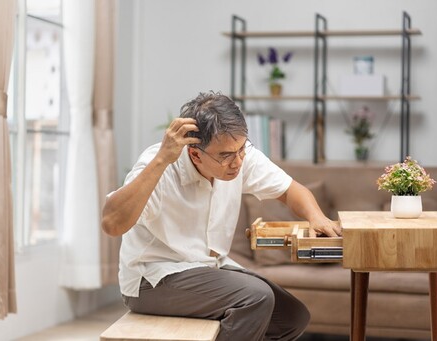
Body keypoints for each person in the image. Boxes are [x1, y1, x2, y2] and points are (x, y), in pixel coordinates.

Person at [102, 91, 341, 341]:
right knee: (256, 297)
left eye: (241, 150)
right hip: (152, 279)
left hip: (206, 269)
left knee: (292, 317)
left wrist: (317, 217)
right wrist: (162, 158)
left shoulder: (236, 152)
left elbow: (292, 190)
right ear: (195, 154)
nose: (237, 162)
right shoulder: (158, 165)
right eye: (225, 156)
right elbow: (112, 224)